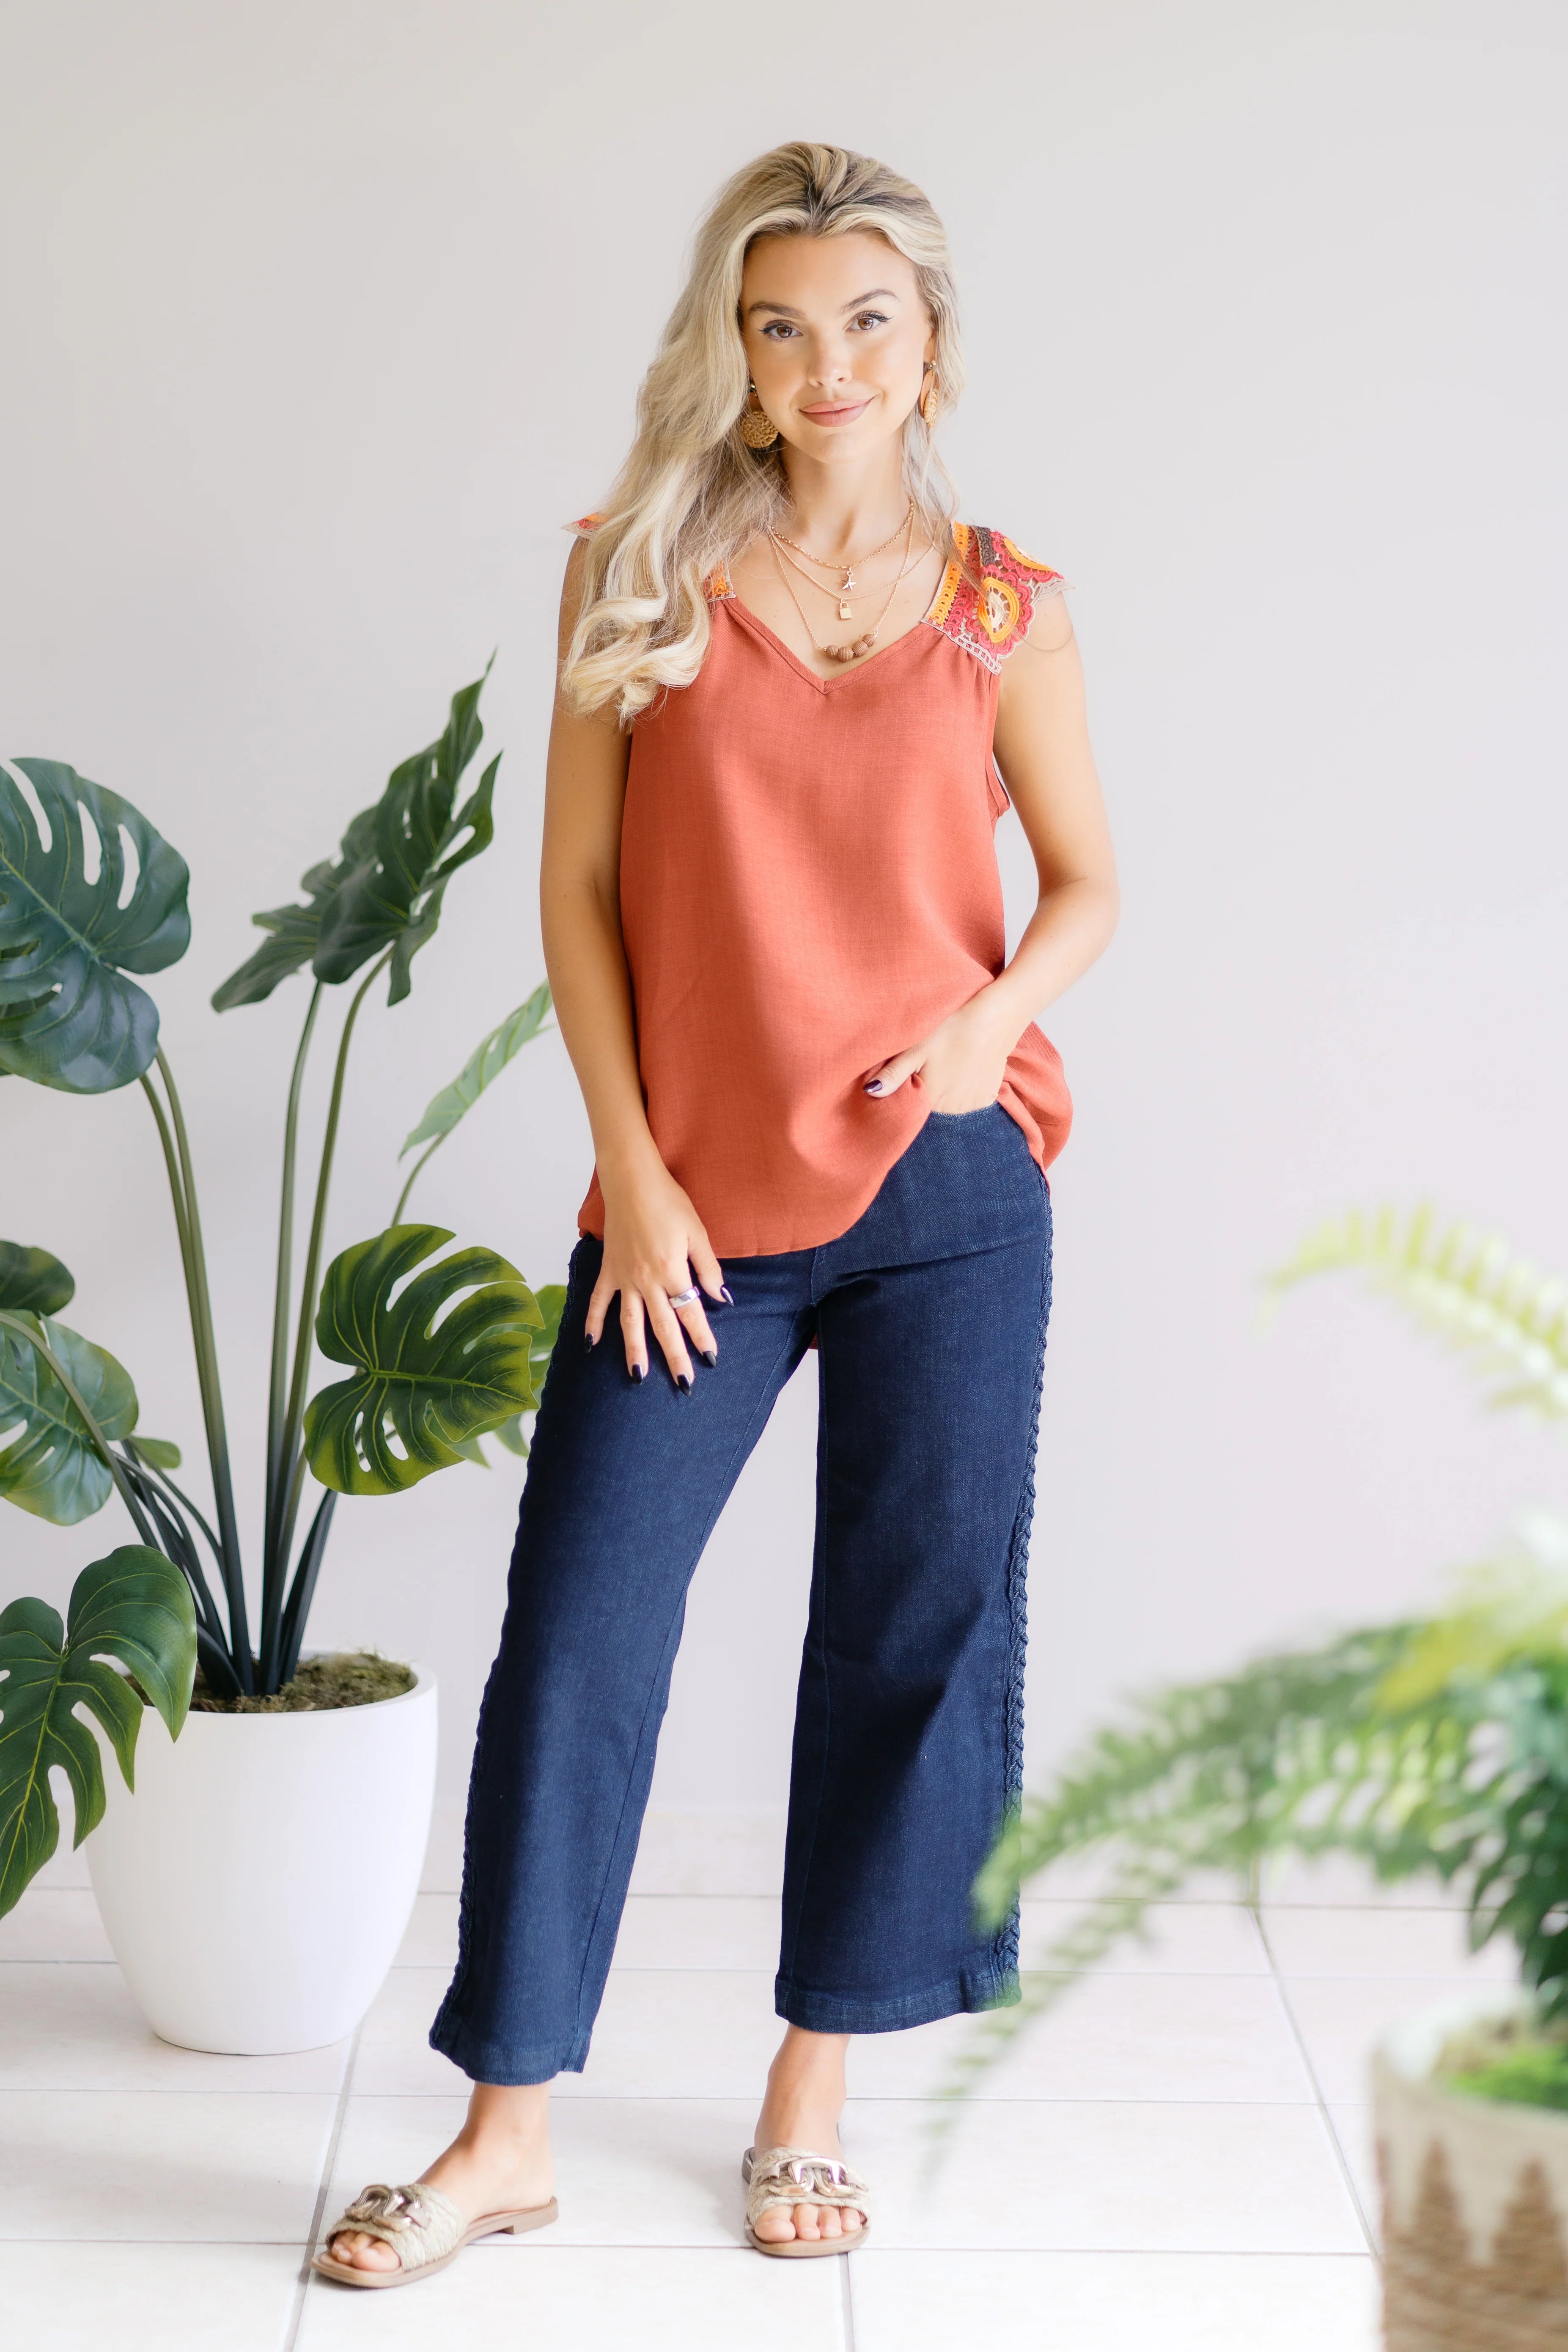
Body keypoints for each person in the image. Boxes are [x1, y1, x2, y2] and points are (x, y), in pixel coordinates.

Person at [316, 138, 1116, 2289]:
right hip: (694, 1214)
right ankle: (504, 2129)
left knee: (910, 1630)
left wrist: (991, 1025)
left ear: (930, 344)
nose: (827, 361)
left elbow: (1086, 886)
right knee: (582, 1631)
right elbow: (575, 894)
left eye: (867, 318)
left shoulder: (1005, 605)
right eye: (782, 325)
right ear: (736, 353)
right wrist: (639, 1178)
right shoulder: (638, 568)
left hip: (953, 1189)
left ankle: (810, 2093)